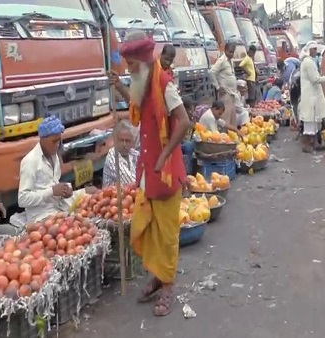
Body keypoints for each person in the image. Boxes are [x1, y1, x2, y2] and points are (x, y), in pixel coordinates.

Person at [109, 34, 190, 317]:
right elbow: (137, 106)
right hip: (147, 172)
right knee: (147, 226)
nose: (129, 70)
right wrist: (118, 85)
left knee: (167, 235)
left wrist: (165, 153)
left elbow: (184, 121)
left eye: (130, 65)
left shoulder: (165, 85)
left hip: (165, 173)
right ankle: (157, 275)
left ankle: (168, 287)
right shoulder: (143, 83)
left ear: (143, 62)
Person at [17, 116, 85, 225]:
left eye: (59, 141)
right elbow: (22, 199)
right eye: (54, 141)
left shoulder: (54, 156)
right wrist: (52, 192)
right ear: (43, 139)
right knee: (70, 223)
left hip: (58, 204)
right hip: (41, 214)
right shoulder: (30, 161)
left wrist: (66, 190)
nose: (58, 145)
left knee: (90, 192)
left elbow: (53, 184)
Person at [298, 41, 325, 153]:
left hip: (312, 95)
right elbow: (315, 79)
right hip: (310, 96)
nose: (316, 51)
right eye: (314, 49)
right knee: (310, 122)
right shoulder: (308, 62)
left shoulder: (308, 61)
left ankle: (315, 143)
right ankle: (306, 144)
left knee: (315, 121)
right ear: (309, 50)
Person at [210, 42, 242, 129]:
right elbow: (212, 72)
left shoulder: (230, 61)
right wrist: (218, 87)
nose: (231, 54)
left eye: (232, 52)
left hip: (232, 94)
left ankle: (233, 138)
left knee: (232, 118)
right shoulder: (222, 60)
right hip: (225, 94)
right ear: (225, 50)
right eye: (230, 52)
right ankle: (225, 139)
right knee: (226, 118)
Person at [103, 120, 139, 187]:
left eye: (127, 141)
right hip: (116, 196)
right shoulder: (112, 155)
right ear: (115, 140)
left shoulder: (134, 154)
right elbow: (129, 181)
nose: (124, 144)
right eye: (121, 140)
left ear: (132, 142)